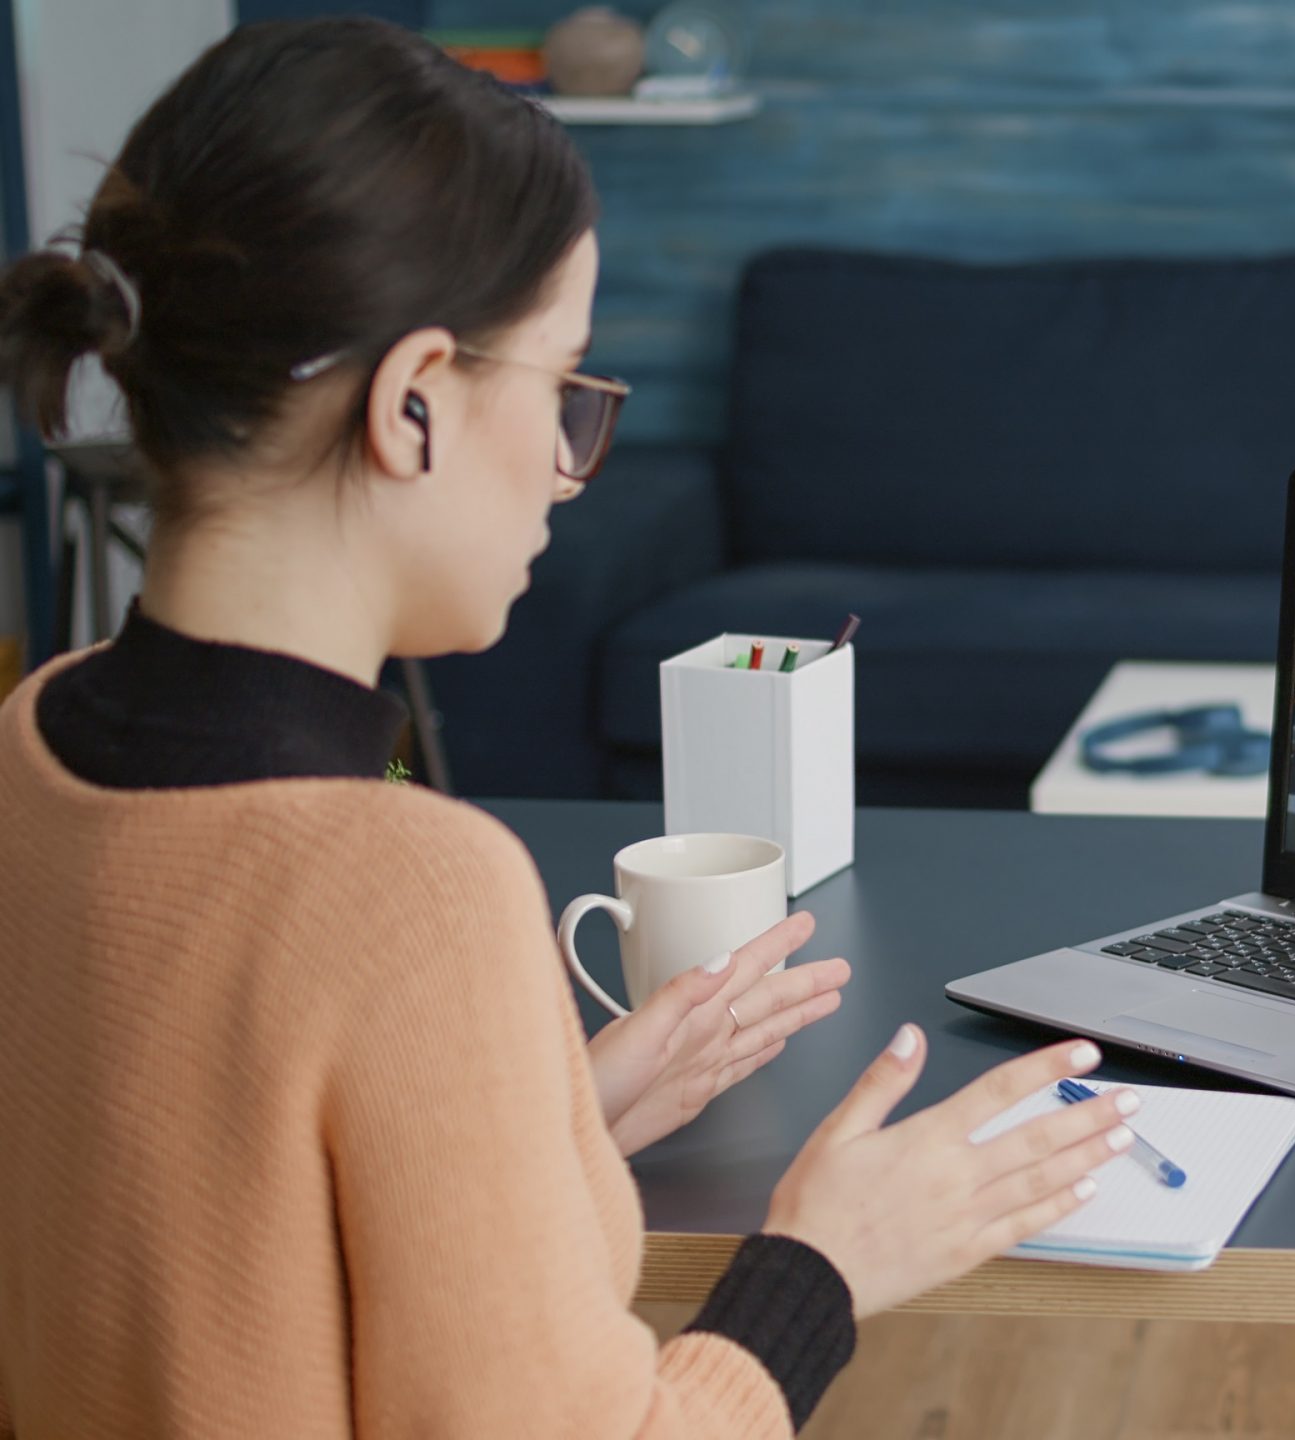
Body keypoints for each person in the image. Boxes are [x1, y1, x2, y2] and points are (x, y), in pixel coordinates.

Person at [0, 20, 1136, 1437]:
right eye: (563, 388)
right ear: (413, 404)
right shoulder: (412, 887)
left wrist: (541, 1126)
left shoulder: (33, 746)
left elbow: (217, 1242)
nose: (564, 467)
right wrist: (826, 1264)